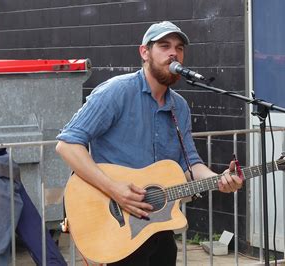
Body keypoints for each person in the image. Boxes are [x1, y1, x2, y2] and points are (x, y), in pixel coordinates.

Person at [56, 21, 243, 266]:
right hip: (114, 226)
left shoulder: (180, 107)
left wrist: (218, 179)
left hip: (157, 225)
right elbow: (67, 145)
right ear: (144, 52)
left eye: (179, 48)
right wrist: (115, 189)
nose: (173, 53)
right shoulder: (116, 92)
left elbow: (190, 162)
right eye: (164, 46)